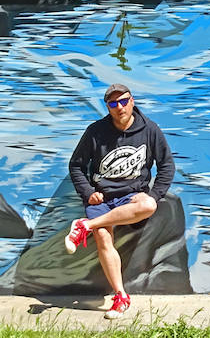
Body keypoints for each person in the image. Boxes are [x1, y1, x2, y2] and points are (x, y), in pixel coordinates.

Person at [64, 83, 175, 319]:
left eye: (123, 101)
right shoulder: (95, 131)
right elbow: (76, 166)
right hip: (102, 198)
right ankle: (120, 296)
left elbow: (166, 166)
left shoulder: (150, 130)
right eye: (113, 104)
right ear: (107, 107)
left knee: (149, 205)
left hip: (132, 196)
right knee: (104, 237)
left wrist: (153, 193)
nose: (119, 107)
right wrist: (87, 192)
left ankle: (84, 226)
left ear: (132, 101)